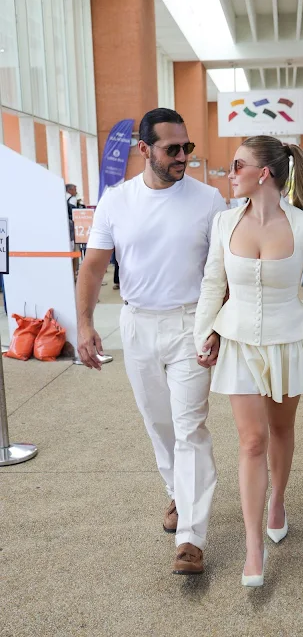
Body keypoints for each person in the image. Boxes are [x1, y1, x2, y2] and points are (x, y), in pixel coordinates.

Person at [76, 108, 227, 575]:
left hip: (191, 324)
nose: (183, 156)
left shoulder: (209, 199)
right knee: (159, 423)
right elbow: (93, 267)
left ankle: (191, 539)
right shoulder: (116, 201)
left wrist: (218, 326)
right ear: (144, 149)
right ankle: (178, 494)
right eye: (172, 149)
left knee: (189, 427)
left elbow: (224, 270)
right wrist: (84, 324)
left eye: (187, 147)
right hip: (137, 324)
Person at [194, 138, 303, 587]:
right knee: (251, 441)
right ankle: (252, 546)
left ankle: (277, 500)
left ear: (263, 173)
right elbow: (211, 284)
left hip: (289, 342)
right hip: (238, 341)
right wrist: (202, 335)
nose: (230, 172)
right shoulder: (224, 222)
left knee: (281, 430)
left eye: (237, 165)